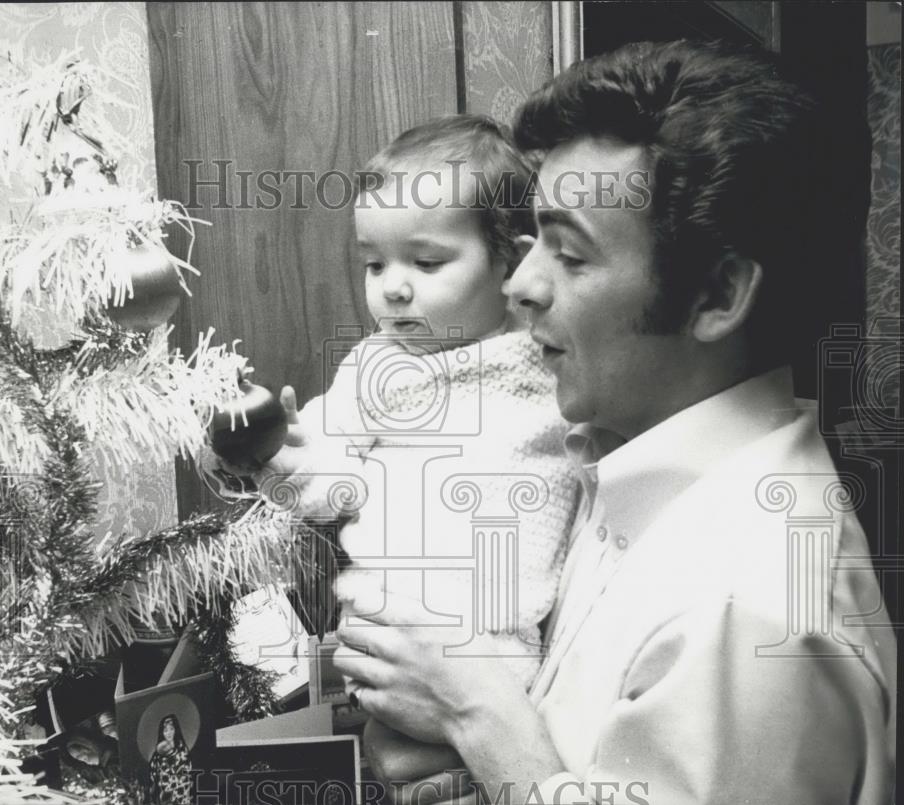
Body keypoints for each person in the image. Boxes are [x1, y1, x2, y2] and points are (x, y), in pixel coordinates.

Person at [333, 40, 896, 805]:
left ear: (716, 296)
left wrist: (480, 715)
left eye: (569, 253)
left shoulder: (752, 609)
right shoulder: (608, 467)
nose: (522, 284)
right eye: (531, 242)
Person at [244, 115, 582, 695]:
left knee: (475, 772)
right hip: (386, 630)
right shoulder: (379, 367)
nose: (393, 287)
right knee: (400, 771)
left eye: (426, 263)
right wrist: (294, 459)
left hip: (504, 643)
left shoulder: (551, 356)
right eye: (375, 264)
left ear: (513, 263)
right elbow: (331, 474)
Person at [148, 714, 193, 805]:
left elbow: (188, 772)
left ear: (176, 730)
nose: (169, 733)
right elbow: (153, 776)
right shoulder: (157, 754)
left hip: (182, 793)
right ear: (162, 732)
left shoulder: (183, 750)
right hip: (165, 794)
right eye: (166, 730)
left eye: (171, 729)